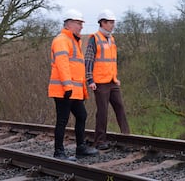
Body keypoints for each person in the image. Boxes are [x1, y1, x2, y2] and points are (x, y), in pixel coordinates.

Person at [48, 9, 98, 160]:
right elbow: (62, 65)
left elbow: (76, 67)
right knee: (62, 120)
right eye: (78, 23)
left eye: (81, 23)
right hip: (64, 90)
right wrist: (68, 86)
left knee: (82, 115)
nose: (81, 26)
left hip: (73, 90)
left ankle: (80, 148)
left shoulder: (74, 41)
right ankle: (59, 152)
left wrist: (81, 90)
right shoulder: (61, 40)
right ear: (69, 24)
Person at [85, 9, 130, 150]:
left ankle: (127, 136)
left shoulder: (112, 39)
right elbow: (88, 60)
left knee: (120, 107)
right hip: (100, 82)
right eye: (110, 22)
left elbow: (112, 61)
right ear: (102, 23)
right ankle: (99, 141)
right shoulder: (94, 38)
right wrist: (90, 80)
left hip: (112, 81)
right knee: (103, 111)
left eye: (113, 22)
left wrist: (115, 78)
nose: (113, 25)